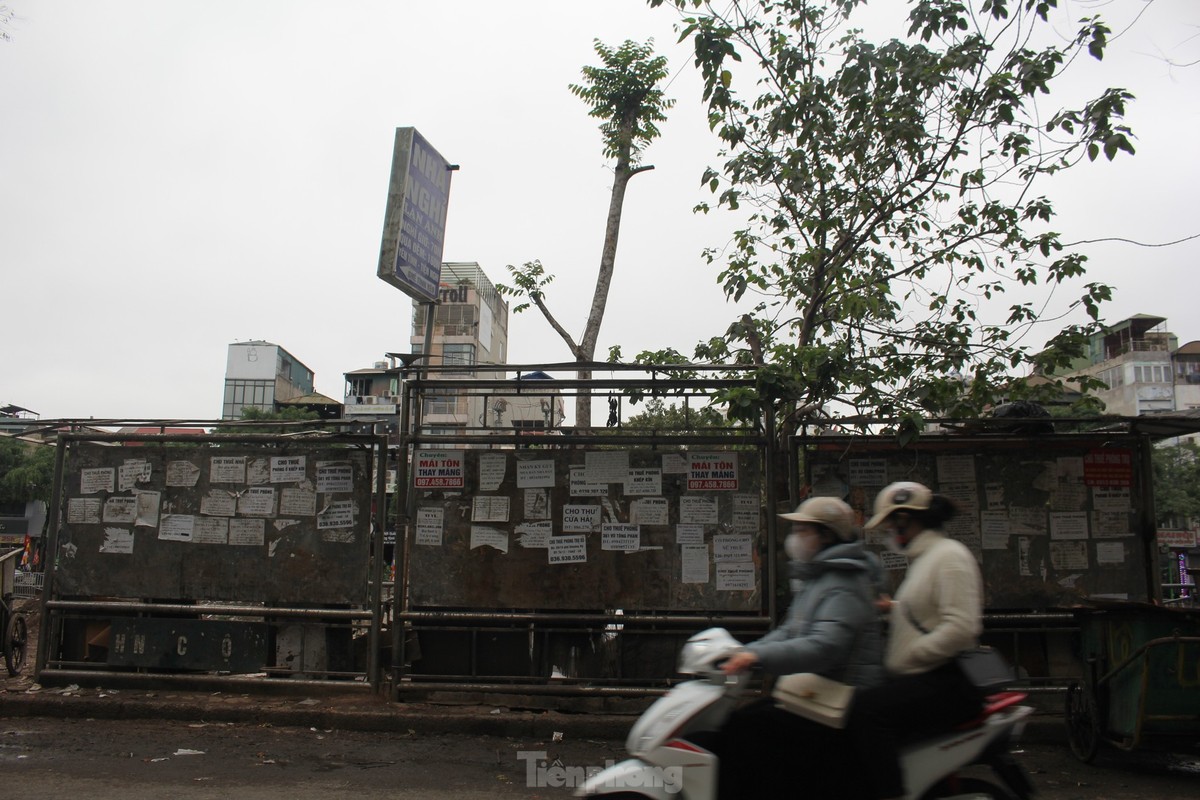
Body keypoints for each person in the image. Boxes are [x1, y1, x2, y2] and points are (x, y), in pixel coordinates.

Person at [706, 496, 884, 799]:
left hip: (844, 698)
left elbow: (824, 647)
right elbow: (790, 631)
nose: (795, 539)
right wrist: (745, 653)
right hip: (817, 690)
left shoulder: (844, 581)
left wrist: (756, 656)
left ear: (826, 535)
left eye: (803, 531)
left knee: (748, 733)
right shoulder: (820, 577)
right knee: (738, 723)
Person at [846, 481, 985, 800]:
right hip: (926, 677)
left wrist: (911, 655)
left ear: (908, 520)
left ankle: (892, 793)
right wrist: (893, 608)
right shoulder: (928, 558)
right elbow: (929, 610)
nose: (890, 533)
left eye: (892, 524)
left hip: (944, 680)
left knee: (865, 711)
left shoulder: (949, 556)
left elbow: (962, 627)